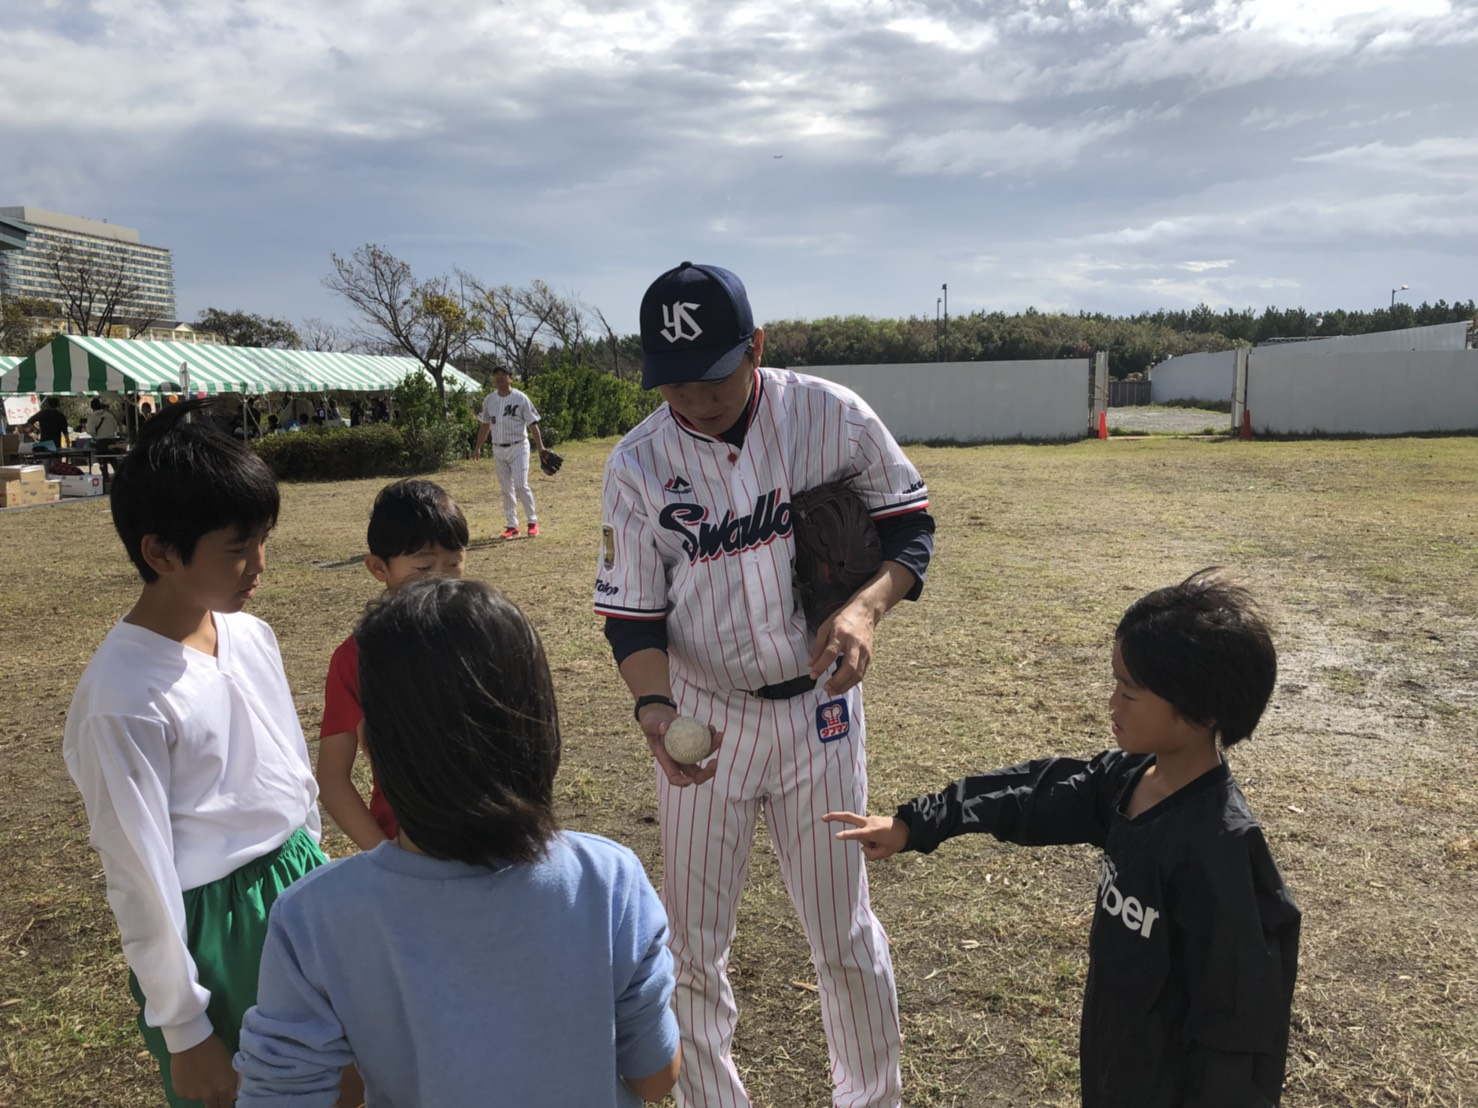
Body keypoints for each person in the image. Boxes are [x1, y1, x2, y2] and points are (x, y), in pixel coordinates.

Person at [595, 261, 935, 1108]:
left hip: (820, 708)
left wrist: (865, 609)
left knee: (843, 929)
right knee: (690, 946)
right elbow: (631, 616)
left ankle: (870, 1098)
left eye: (711, 375)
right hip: (704, 715)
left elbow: (909, 525)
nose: (694, 398)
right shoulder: (637, 464)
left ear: (754, 346)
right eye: (672, 382)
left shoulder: (828, 415)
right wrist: (653, 707)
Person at [825, 570, 1301, 1108]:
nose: (1112, 704)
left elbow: (1238, 1028)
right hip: (1115, 1059)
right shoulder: (1130, 780)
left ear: (1201, 710)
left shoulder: (1220, 850)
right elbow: (1031, 793)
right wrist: (916, 824)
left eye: (1130, 691)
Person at [235, 579, 682, 1104]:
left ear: (374, 748)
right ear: (540, 730)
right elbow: (655, 1077)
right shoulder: (609, 880)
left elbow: (286, 1094)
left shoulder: (313, 917)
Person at [61, 397, 326, 1108]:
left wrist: (316, 862)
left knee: (336, 1084)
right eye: (237, 546)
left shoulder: (249, 634)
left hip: (300, 887)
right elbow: (138, 873)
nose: (258, 563)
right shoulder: (123, 697)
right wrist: (185, 1028)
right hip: (220, 928)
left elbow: (290, 768)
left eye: (263, 538)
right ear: (160, 552)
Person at [317, 479, 468, 850]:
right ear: (377, 568)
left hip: (491, 846)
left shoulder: (486, 637)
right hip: (401, 843)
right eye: (422, 568)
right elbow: (332, 779)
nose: (441, 581)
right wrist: (385, 856)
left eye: (454, 564)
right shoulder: (355, 658)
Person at [471, 365, 549, 538]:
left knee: (521, 485)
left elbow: (532, 424)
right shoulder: (489, 400)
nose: (499, 378)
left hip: (519, 446)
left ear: (510, 378)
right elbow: (485, 424)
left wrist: (541, 447)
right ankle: (512, 525)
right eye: (496, 375)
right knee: (506, 488)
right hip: (498, 448)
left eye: (503, 374)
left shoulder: (520, 398)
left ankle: (532, 521)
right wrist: (477, 447)